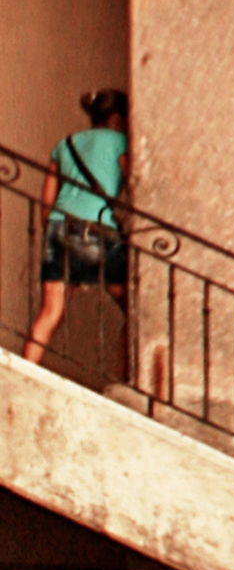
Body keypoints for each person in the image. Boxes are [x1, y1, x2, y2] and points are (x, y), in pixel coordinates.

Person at [23, 89, 129, 369]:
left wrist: (52, 235)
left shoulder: (65, 144)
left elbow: (46, 203)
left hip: (59, 227)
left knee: (50, 311)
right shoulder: (123, 142)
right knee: (134, 310)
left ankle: (19, 375)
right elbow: (131, 180)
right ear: (118, 117)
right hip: (98, 229)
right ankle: (131, 378)